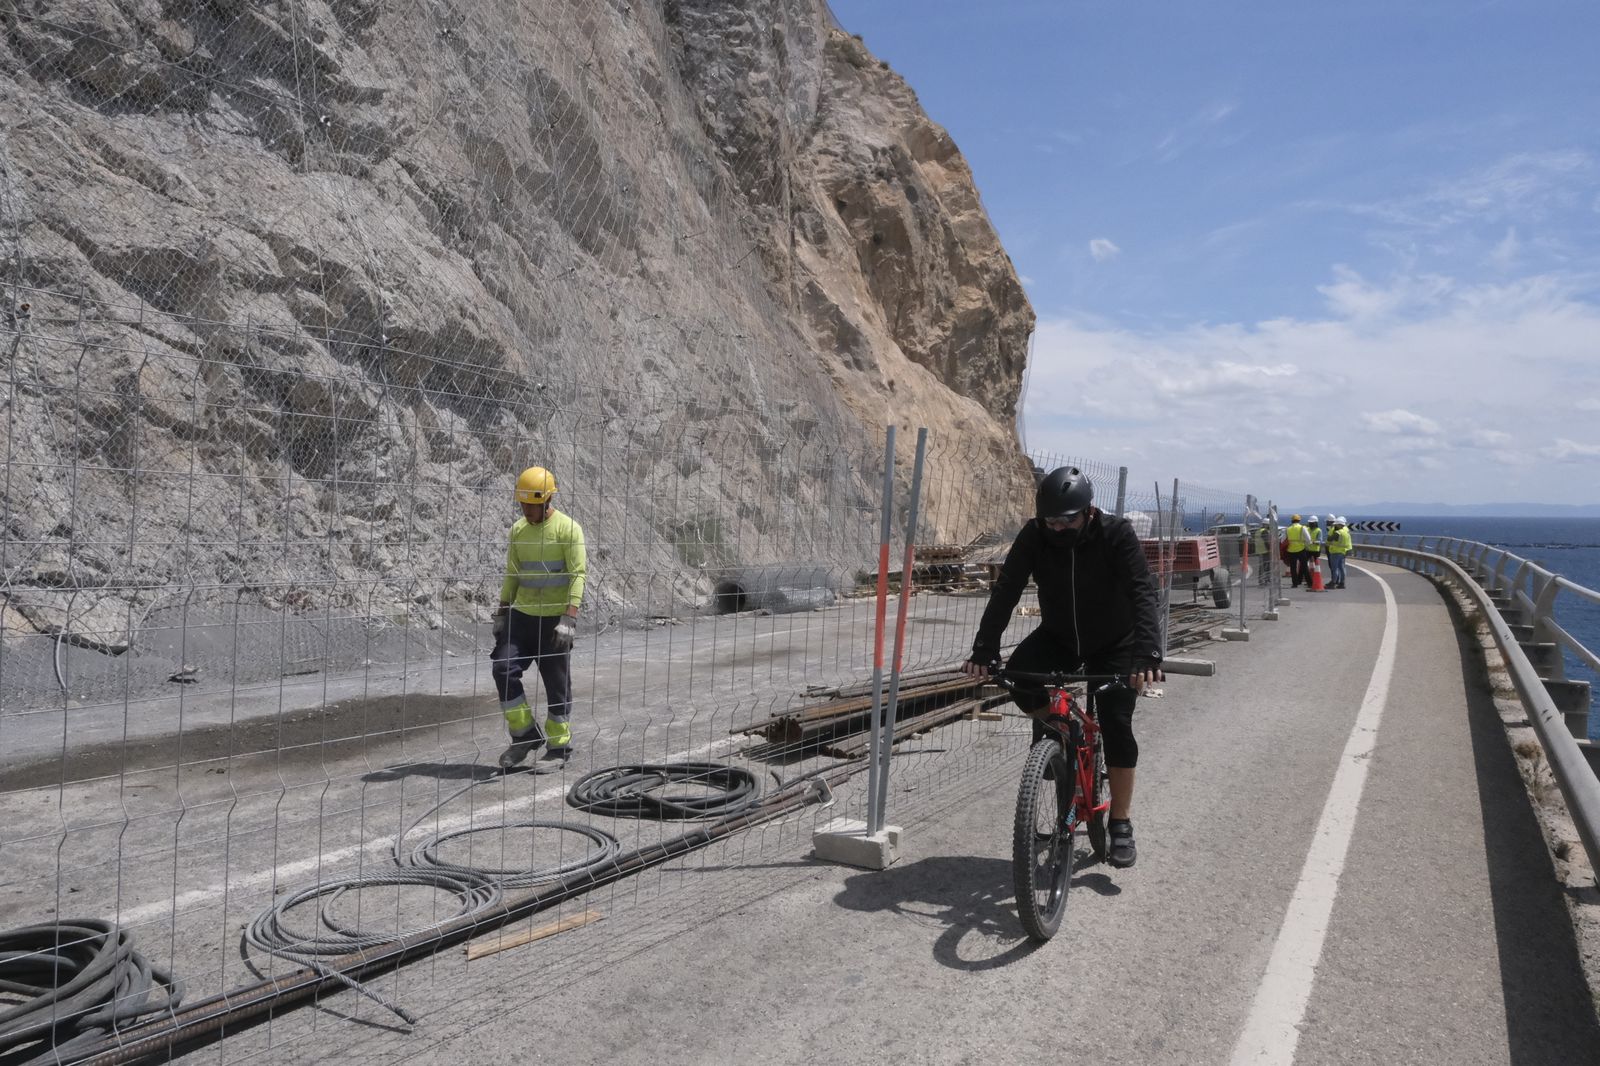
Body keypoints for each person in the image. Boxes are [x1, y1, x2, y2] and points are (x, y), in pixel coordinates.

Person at [961, 466, 1165, 868]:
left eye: (1065, 520)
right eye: (1049, 520)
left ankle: (1120, 823)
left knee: (1117, 722)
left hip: (1115, 642)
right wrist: (984, 649)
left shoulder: (1116, 534)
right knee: (1021, 679)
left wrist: (1147, 656)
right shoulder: (1035, 534)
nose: (1056, 528)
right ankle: (1063, 735)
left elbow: (1143, 592)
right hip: (1060, 637)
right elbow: (1007, 590)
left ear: (1087, 512)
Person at [492, 466, 587, 771]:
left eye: (530, 505)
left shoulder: (568, 529)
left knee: (556, 684)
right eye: (522, 504)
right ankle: (524, 736)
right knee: (503, 668)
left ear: (546, 500)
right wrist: (502, 612)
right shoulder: (518, 531)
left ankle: (559, 748)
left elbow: (577, 575)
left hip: (554, 622)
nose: (526, 510)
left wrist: (569, 618)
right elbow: (512, 575)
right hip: (522, 618)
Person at [1283, 514, 1312, 588]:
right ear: (1299, 520)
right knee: (1304, 566)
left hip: (1291, 550)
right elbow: (1308, 539)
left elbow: (1282, 539)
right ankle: (1309, 583)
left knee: (1293, 568)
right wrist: (1307, 545)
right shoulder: (1302, 528)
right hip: (1301, 549)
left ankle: (1295, 583)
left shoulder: (1288, 529)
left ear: (1292, 520)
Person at [1326, 516, 1352, 589]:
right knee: (1342, 568)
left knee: (1335, 568)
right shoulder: (1346, 532)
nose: (1335, 525)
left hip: (1335, 552)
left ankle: (1333, 582)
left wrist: (1331, 535)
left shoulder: (1338, 532)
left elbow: (1329, 539)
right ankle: (1342, 583)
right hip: (1343, 552)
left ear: (1339, 525)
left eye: (1336, 524)